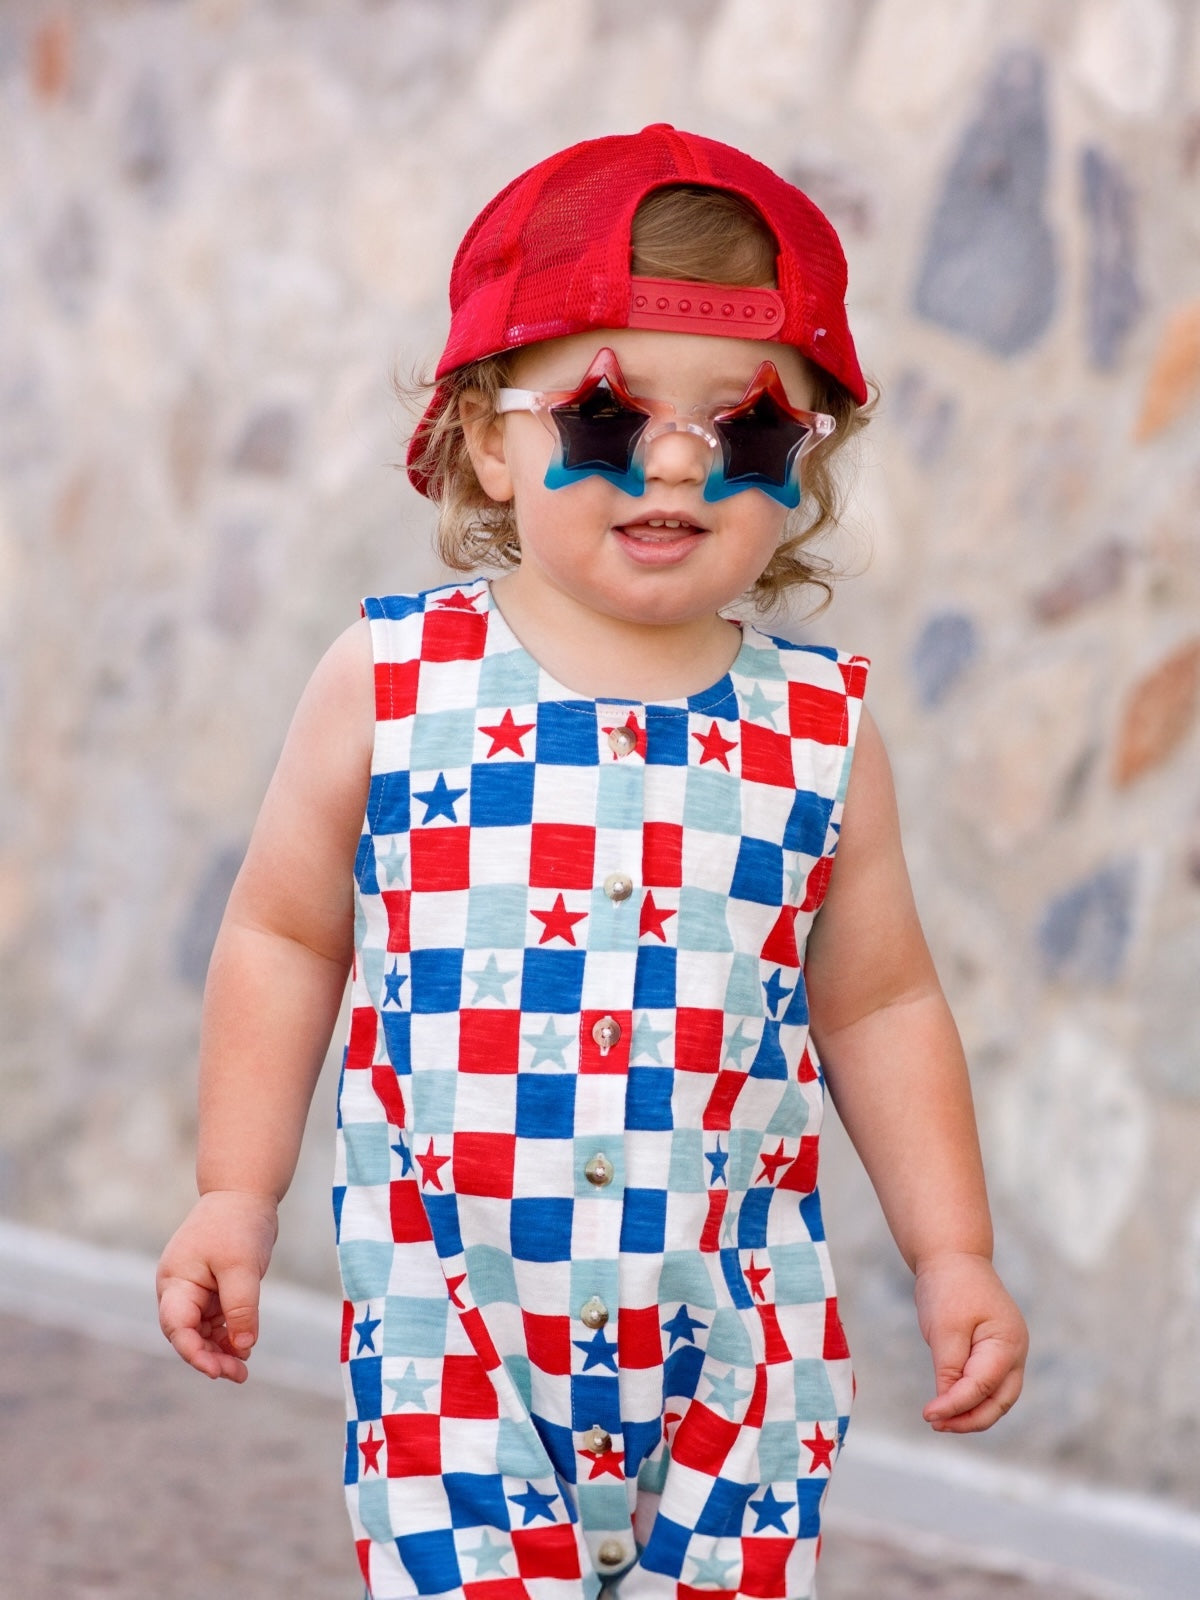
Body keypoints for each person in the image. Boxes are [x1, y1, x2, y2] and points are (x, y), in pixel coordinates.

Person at [157, 125, 1028, 1600]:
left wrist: (954, 1255)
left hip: (738, 1348)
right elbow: (286, 937)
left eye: (746, 427)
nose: (679, 461)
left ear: (805, 462)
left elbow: (879, 1004)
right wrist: (236, 1193)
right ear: (489, 436)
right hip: (457, 1334)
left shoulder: (820, 728)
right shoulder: (393, 682)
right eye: (613, 418)